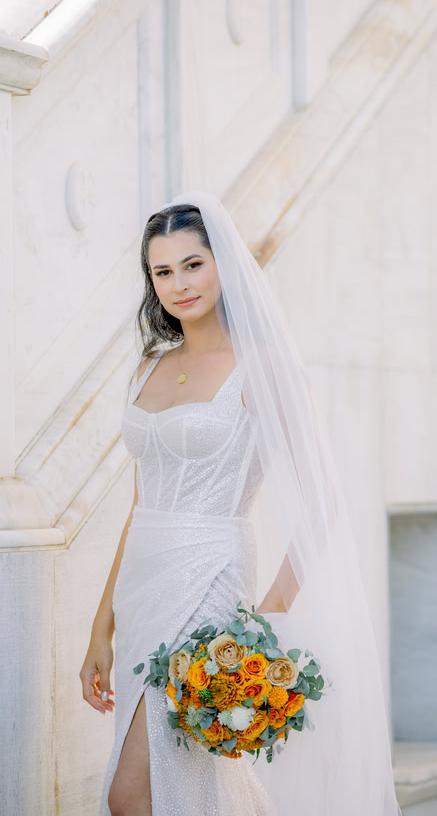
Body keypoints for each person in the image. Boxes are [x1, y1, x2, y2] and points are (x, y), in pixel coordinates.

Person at [81, 192, 403, 815]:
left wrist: (266, 615)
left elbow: (324, 500)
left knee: (133, 793)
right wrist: (102, 627)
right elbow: (141, 502)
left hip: (208, 585)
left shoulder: (264, 367)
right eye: (163, 271)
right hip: (142, 588)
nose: (180, 284)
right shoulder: (151, 364)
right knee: (195, 787)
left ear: (223, 264)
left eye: (193, 264)